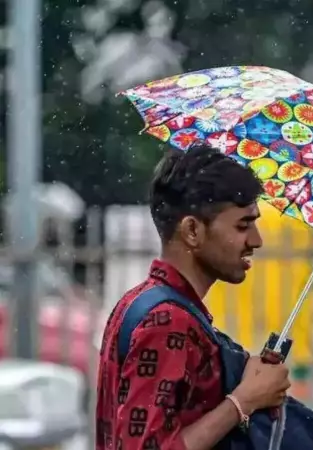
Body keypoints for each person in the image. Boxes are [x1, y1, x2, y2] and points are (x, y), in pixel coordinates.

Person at [95, 142, 292, 450]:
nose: (256, 240)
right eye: (243, 225)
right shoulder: (167, 321)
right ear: (192, 231)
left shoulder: (140, 302)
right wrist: (244, 401)